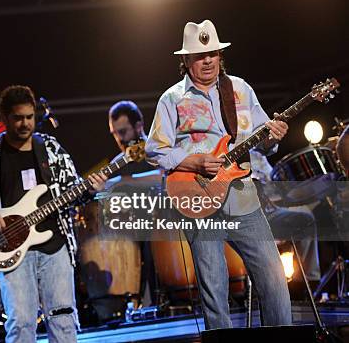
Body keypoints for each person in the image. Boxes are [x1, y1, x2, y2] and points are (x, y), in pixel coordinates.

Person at [145, 19, 292, 329]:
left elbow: (264, 143)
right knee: (215, 291)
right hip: (197, 200)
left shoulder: (240, 89)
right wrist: (193, 162)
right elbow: (154, 150)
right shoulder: (171, 99)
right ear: (184, 61)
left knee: (274, 278)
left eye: (212, 52)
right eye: (199, 55)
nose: (208, 60)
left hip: (243, 199)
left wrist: (273, 137)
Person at [0, 85, 106, 343]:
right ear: (4, 117)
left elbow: (73, 192)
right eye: (18, 118)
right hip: (11, 250)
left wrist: (89, 190)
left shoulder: (49, 148)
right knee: (21, 323)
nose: (25, 123)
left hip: (55, 246)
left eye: (29, 117)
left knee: (63, 319)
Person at [107, 100, 159, 306]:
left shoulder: (157, 150)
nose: (119, 138)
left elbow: (163, 177)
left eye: (123, 131)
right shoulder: (117, 163)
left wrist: (121, 182)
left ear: (139, 126)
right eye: (114, 133)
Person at [249, 150, 321, 285]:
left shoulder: (258, 154)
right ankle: (298, 282)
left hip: (273, 207)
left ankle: (307, 280)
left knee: (307, 215)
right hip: (254, 215)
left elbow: (272, 185)